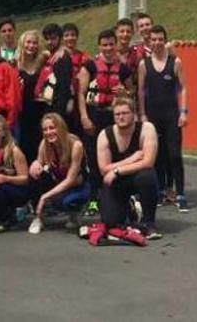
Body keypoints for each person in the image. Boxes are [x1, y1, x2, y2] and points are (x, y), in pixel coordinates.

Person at [77, 29, 132, 200]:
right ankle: (94, 199)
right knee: (93, 159)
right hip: (94, 115)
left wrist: (125, 91)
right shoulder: (90, 66)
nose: (108, 48)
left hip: (113, 117)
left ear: (116, 45)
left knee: (114, 156)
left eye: (111, 44)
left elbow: (132, 92)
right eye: (104, 45)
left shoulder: (123, 69)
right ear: (99, 46)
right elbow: (80, 93)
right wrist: (84, 117)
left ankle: (114, 195)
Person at [138, 25, 188, 212]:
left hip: (171, 115)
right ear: (149, 41)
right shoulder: (144, 64)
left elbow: (183, 88)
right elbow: (141, 91)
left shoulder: (175, 62)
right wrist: (142, 114)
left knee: (174, 154)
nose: (157, 42)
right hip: (152, 116)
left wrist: (184, 112)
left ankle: (180, 193)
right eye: (154, 39)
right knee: (156, 155)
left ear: (165, 40)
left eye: (160, 39)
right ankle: (158, 191)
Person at [96, 98, 161, 239]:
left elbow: (148, 162)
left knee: (147, 176)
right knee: (110, 222)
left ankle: (149, 223)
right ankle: (130, 208)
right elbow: (103, 169)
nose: (121, 117)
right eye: (117, 114)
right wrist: (130, 159)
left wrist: (117, 170)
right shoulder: (105, 135)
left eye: (125, 113)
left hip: (138, 176)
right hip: (117, 182)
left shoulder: (147, 128)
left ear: (134, 114)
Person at [27, 113, 89, 234]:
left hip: (77, 185)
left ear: (61, 127)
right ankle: (38, 217)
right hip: (59, 180)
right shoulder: (44, 144)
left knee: (66, 202)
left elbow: (70, 180)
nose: (48, 132)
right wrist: (34, 165)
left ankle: (75, 213)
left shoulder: (76, 145)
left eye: (52, 128)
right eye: (45, 129)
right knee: (34, 176)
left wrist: (45, 196)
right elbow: (38, 163)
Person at [15, 30, 46, 160]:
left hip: (40, 109)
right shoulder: (14, 64)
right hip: (22, 112)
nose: (31, 46)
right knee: (23, 144)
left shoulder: (43, 61)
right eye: (28, 42)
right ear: (22, 43)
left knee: (40, 142)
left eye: (34, 43)